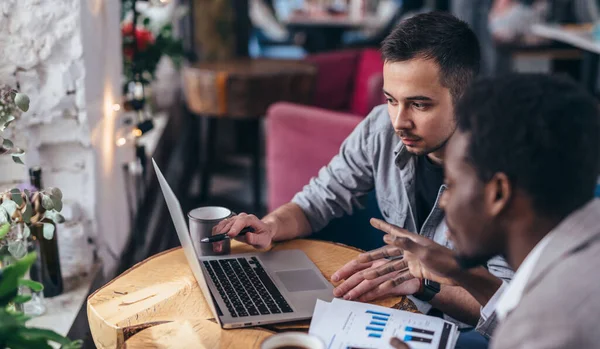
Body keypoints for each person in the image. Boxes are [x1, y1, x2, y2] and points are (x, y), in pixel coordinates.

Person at [213, 12, 513, 333]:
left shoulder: (504, 171)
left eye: (420, 104)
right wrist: (270, 226)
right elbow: (317, 200)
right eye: (391, 99)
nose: (399, 121)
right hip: (390, 312)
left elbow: (506, 308)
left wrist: (424, 286)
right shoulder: (380, 127)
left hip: (464, 332)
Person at [355, 73, 600, 348]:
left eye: (452, 184)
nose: (445, 202)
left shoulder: (540, 328)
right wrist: (464, 275)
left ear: (498, 193)